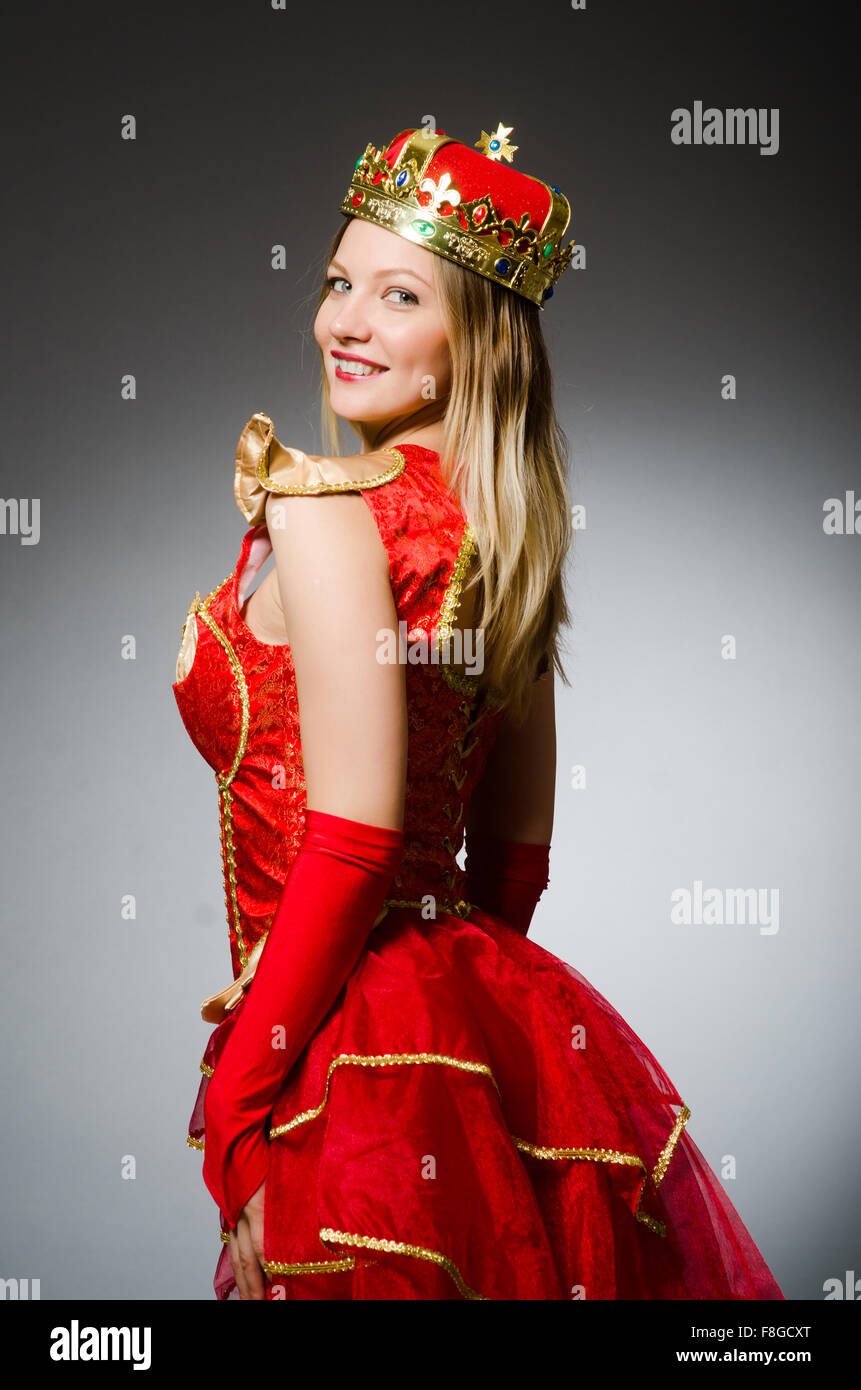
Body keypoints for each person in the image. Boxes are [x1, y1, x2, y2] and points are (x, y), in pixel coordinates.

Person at [173, 123, 784, 1301]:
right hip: (432, 1020)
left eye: (398, 295)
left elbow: (351, 844)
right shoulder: (508, 536)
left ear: (472, 345)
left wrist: (252, 1103)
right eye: (338, 283)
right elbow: (511, 864)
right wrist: (484, 1055)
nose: (344, 322)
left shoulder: (325, 507)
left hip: (330, 1038)